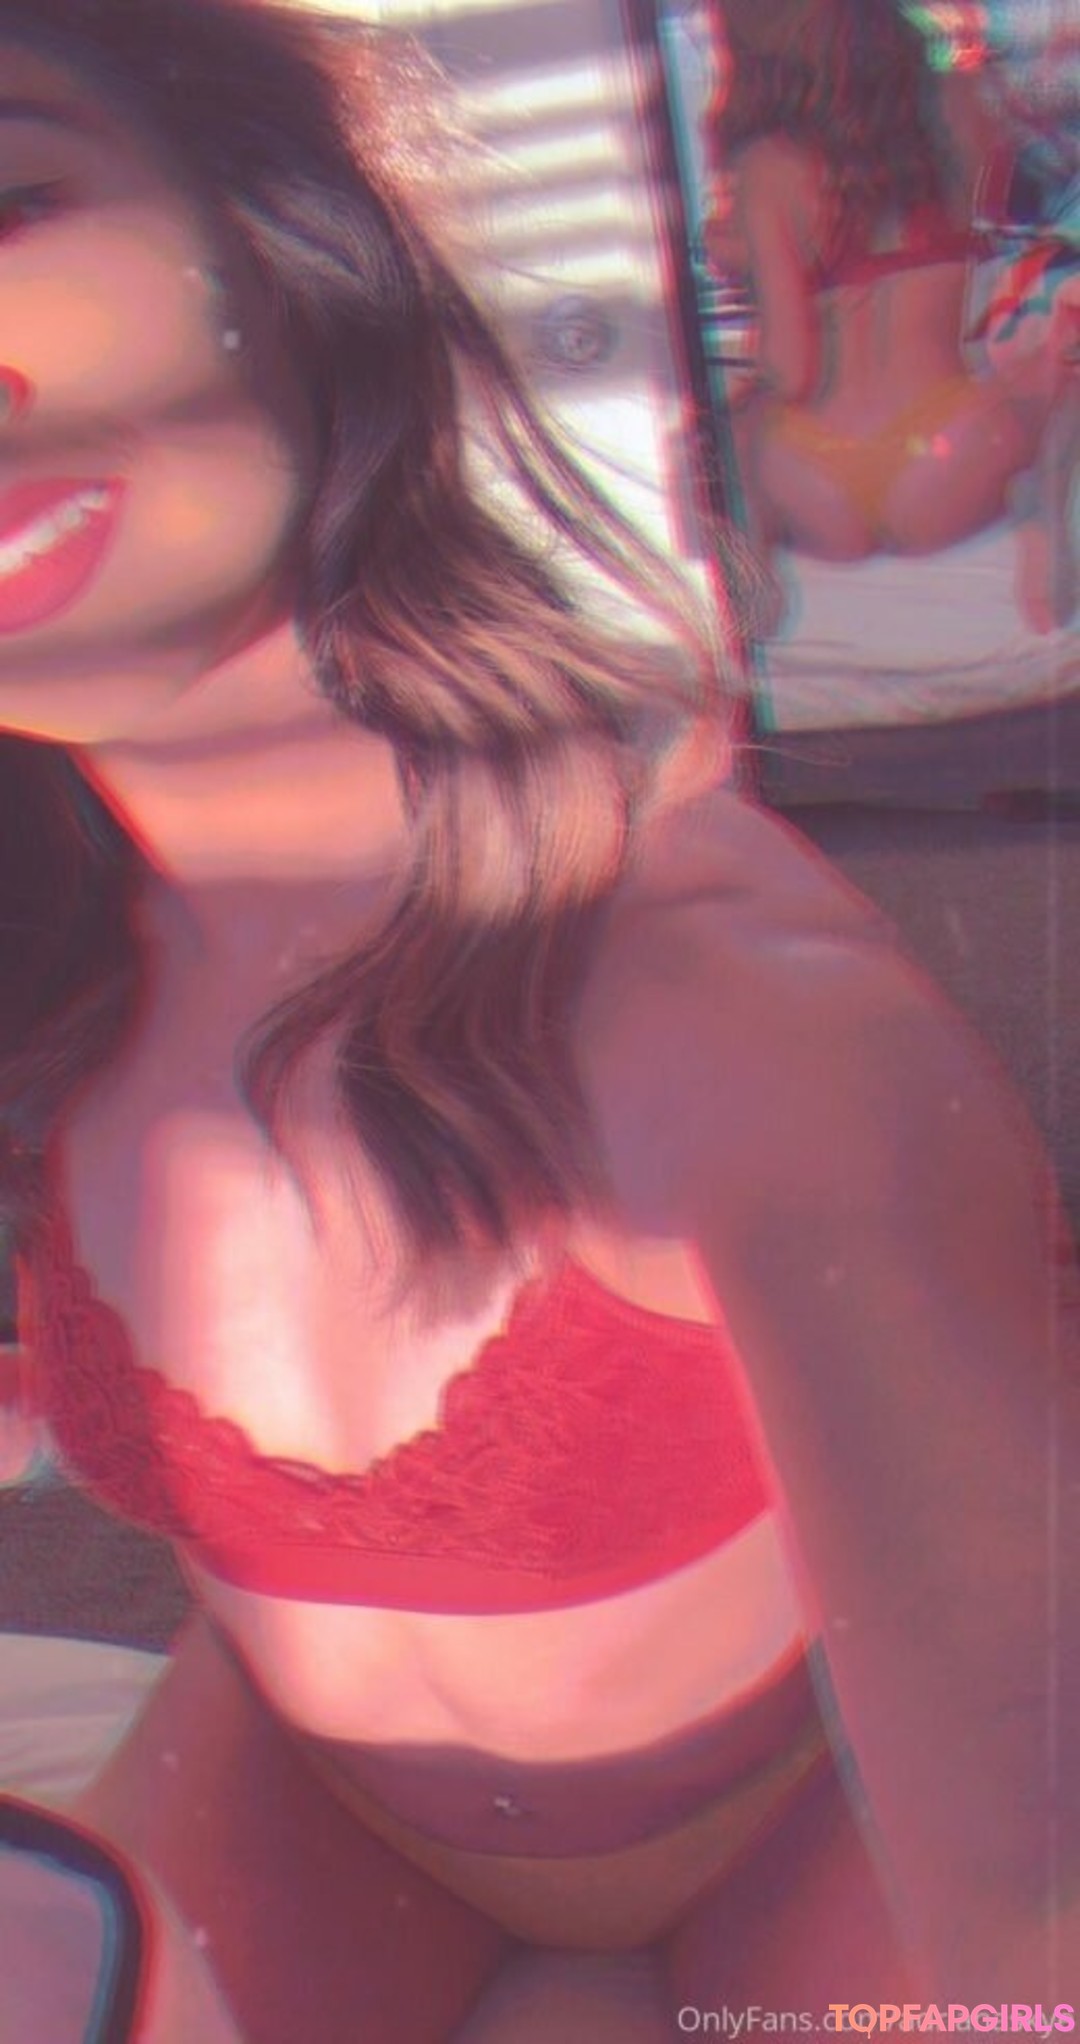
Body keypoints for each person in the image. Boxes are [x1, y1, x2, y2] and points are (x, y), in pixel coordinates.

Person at [0, 1, 1075, 2035]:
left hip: (796, 1807)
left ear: (286, 245)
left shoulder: (729, 1009)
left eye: (13, 199)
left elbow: (1036, 1865)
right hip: (319, 1794)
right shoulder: (51, 967)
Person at [704, 0, 1061, 570]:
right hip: (955, 450)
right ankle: (1049, 531)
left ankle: (748, 566)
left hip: (811, 477)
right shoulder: (957, 108)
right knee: (1055, 381)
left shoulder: (766, 167)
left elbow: (789, 370)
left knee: (729, 434)